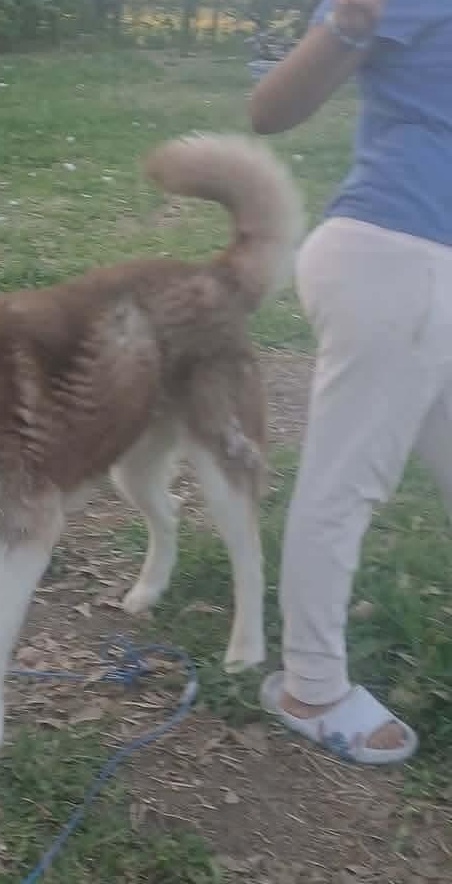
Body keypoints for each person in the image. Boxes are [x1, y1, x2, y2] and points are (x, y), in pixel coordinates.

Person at [248, 0, 452, 764]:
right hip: (396, 256)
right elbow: (271, 109)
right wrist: (350, 23)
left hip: (431, 271)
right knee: (346, 484)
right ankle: (313, 685)